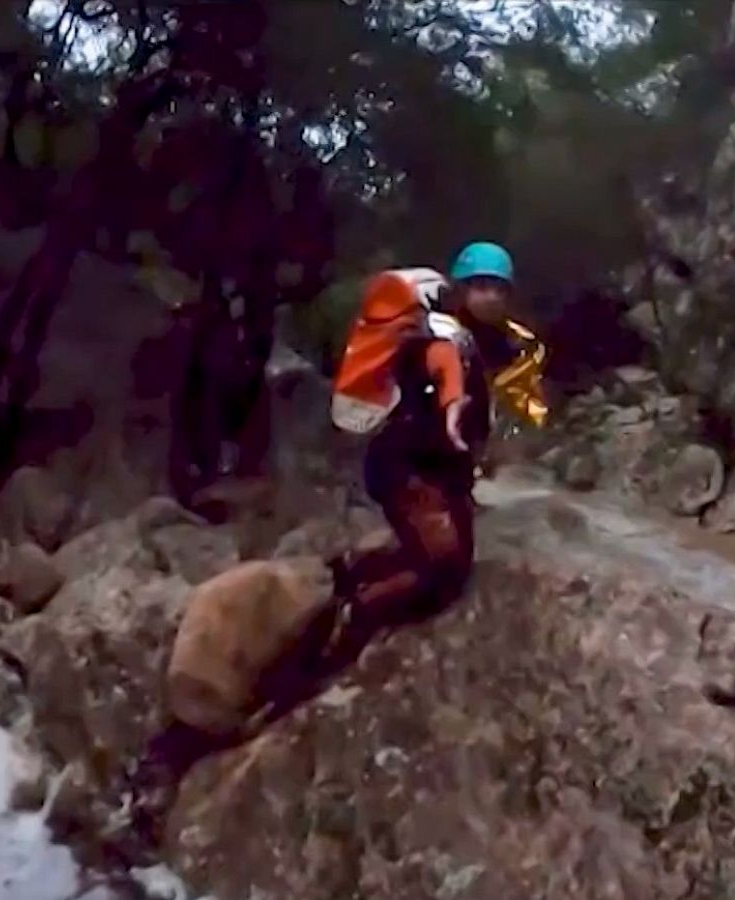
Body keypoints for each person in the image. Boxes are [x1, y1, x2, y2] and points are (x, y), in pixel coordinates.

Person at [117, 241, 545, 862]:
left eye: (497, 288)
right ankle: (359, 609)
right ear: (460, 287)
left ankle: (348, 576)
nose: (490, 295)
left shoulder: (479, 341)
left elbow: (480, 400)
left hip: (434, 473)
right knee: (446, 569)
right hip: (406, 471)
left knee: (437, 553)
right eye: (480, 286)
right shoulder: (442, 337)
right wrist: (454, 415)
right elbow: (446, 385)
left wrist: (472, 449)